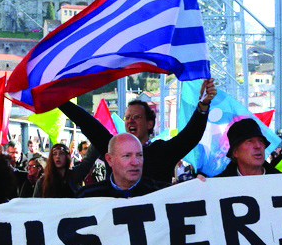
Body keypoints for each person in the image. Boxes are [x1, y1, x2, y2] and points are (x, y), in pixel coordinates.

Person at [58, 78, 217, 185]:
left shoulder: (163, 151)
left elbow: (190, 136)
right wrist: (56, 98)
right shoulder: (112, 147)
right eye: (127, 118)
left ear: (150, 124)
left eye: (136, 117)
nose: (130, 121)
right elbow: (88, 123)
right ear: (110, 159)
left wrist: (203, 105)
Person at [34, 142, 100, 198]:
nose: (58, 156)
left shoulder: (76, 174)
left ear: (67, 157)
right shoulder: (42, 181)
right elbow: (36, 205)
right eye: (55, 154)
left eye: (61, 153)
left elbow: (90, 158)